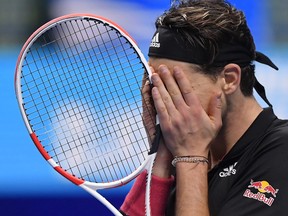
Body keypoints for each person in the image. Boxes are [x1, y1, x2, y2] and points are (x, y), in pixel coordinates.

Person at [120, 0, 288, 215]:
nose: (158, 97)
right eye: (154, 83)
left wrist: (191, 159)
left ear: (229, 79)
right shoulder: (178, 154)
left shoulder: (281, 151)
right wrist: (161, 157)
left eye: (173, 83)